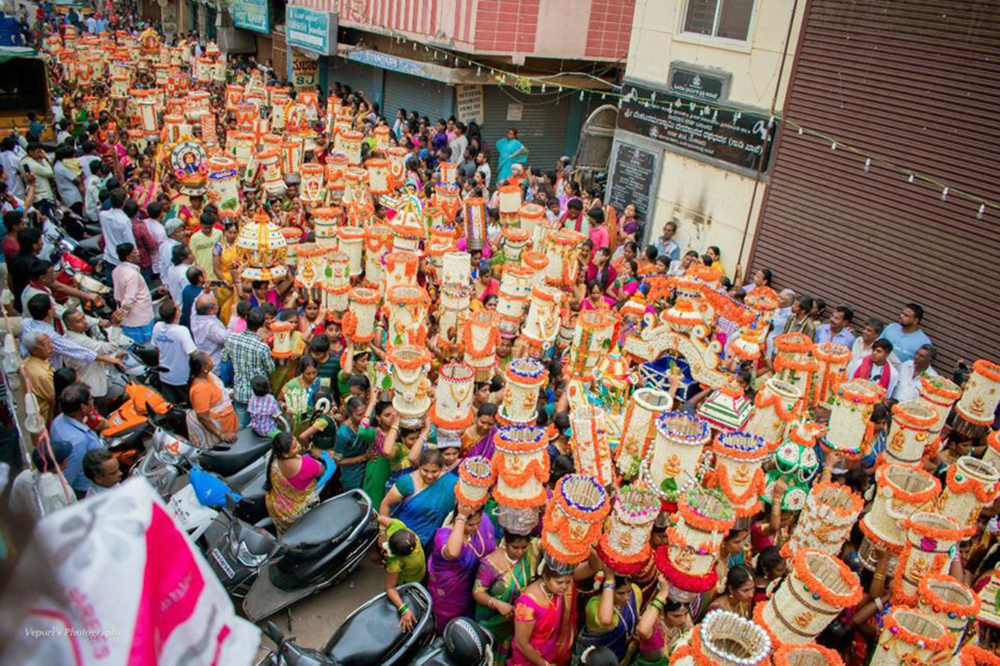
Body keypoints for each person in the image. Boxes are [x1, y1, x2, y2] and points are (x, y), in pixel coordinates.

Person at [511, 554, 599, 666]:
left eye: (568, 582)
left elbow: (595, 566)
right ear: (546, 578)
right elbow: (521, 643)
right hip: (531, 659)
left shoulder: (562, 584)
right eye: (559, 583)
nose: (565, 586)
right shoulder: (526, 604)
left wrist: (588, 547)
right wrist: (544, 664)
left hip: (555, 654)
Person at [427, 503, 498, 633]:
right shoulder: (443, 537)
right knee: (447, 628)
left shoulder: (483, 522)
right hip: (448, 595)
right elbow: (453, 552)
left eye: (478, 523)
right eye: (471, 525)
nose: (476, 528)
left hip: (470, 588)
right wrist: (461, 518)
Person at [474, 533, 543, 663]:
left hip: (516, 619)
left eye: (524, 547)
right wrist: (497, 604)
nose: (520, 552)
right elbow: (478, 592)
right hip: (493, 620)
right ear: (506, 543)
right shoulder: (491, 564)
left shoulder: (534, 548)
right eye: (515, 547)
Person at [380, 448, 457, 548]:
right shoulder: (406, 482)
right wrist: (382, 532)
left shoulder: (451, 483)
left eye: (434, 472)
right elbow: (386, 504)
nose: (429, 476)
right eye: (425, 470)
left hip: (432, 542)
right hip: (403, 540)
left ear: (441, 469)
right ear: (419, 467)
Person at [572, 566, 642, 663]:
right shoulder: (594, 605)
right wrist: (609, 581)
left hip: (621, 655)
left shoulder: (635, 592)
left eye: (628, 591)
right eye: (620, 593)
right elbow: (605, 620)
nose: (626, 597)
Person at [222, 307, 275, 425]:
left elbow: (224, 358)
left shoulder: (232, 338)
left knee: (242, 428)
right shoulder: (262, 347)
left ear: (246, 320)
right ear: (261, 325)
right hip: (258, 393)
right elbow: (270, 369)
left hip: (240, 391)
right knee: (260, 426)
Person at [49, 382, 103, 497]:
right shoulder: (78, 442)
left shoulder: (58, 420)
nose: (93, 401)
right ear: (83, 407)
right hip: (84, 490)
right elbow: (68, 477)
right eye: (90, 399)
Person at [264, 432, 325, 532]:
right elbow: (321, 471)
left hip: (277, 508)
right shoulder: (306, 464)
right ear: (286, 454)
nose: (299, 445)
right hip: (297, 514)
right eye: (295, 446)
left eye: (296, 441)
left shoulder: (271, 456)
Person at [377, 515, 427, 631]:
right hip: (407, 585)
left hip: (420, 574)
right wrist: (404, 609)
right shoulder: (395, 563)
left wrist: (382, 533)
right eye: (414, 548)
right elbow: (390, 588)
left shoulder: (397, 526)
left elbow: (379, 518)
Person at [8, 440, 75, 519]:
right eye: (66, 459)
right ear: (59, 466)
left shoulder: (23, 477)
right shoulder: (65, 493)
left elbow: (14, 506)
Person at [635, 573, 692, 666]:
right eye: (676, 616)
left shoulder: (682, 624)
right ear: (661, 613)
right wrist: (663, 593)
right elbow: (643, 631)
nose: (682, 619)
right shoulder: (654, 628)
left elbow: (691, 635)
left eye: (685, 614)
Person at [187, 351, 238, 449]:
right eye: (209, 360)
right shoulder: (201, 389)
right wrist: (221, 434)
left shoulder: (208, 376)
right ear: (204, 369)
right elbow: (203, 418)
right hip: (216, 428)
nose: (213, 361)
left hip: (225, 421)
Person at [152, 299, 198, 405]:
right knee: (188, 405)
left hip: (164, 375)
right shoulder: (181, 331)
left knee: (171, 405)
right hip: (181, 377)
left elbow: (156, 348)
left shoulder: (157, 326)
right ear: (177, 313)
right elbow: (193, 354)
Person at [111, 243, 154, 343]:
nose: (138, 253)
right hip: (139, 317)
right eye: (135, 252)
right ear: (128, 257)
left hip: (130, 318)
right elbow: (129, 299)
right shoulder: (132, 275)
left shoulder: (116, 270)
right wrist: (122, 313)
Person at [22, 329, 56, 425]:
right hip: (45, 420)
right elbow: (54, 398)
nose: (51, 346)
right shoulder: (42, 374)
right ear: (34, 350)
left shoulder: (27, 362)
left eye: (50, 343)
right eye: (46, 345)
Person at [191, 293, 228, 365]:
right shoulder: (211, 327)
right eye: (216, 304)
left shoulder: (194, 318)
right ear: (211, 310)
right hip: (214, 365)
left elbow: (195, 302)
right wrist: (234, 317)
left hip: (204, 361)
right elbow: (227, 338)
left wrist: (205, 290)